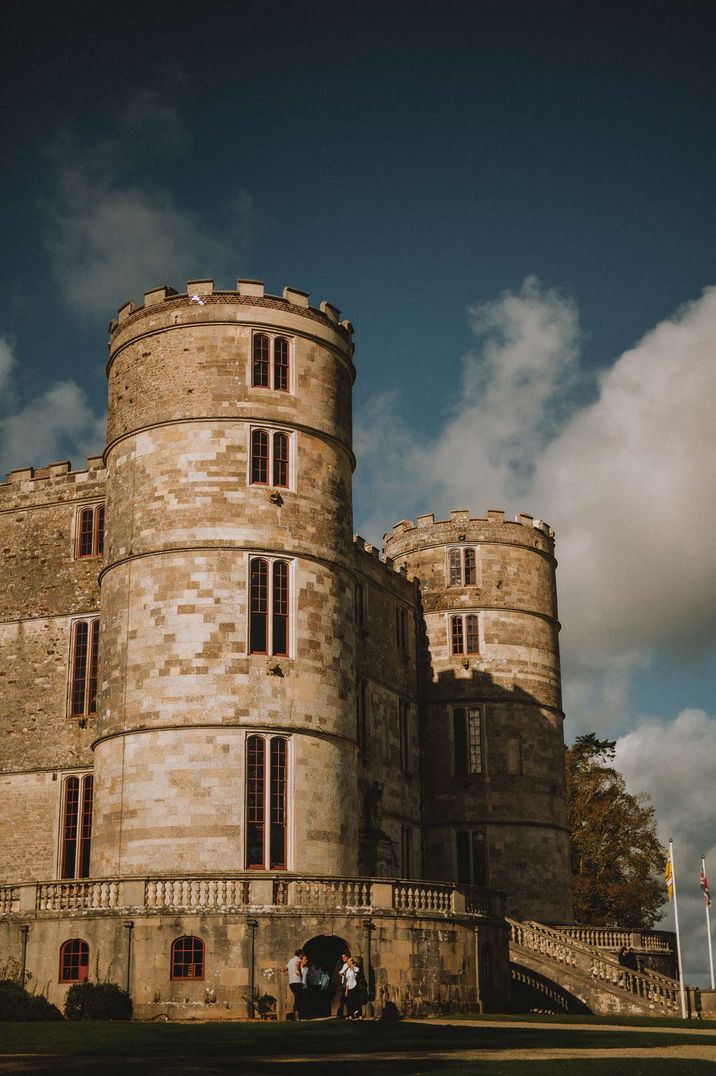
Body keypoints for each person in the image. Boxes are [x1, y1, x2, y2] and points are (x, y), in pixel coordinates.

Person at [286, 949, 306, 1020]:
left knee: (297, 998)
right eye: (302, 954)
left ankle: (296, 1014)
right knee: (298, 999)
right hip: (297, 981)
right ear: (300, 954)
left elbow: (285, 968)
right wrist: (298, 972)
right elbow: (297, 965)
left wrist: (281, 970)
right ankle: (297, 1015)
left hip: (291, 982)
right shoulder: (298, 960)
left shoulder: (290, 960)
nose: (303, 955)